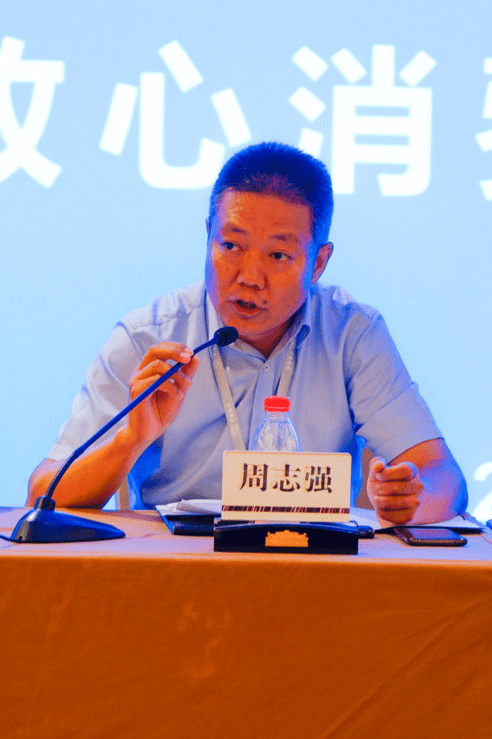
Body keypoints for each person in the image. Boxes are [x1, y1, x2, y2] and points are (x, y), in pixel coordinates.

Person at [27, 142, 467, 526]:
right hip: (177, 571)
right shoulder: (148, 338)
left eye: (277, 255)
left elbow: (444, 478)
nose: (250, 277)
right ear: (208, 237)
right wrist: (131, 438)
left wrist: (411, 498)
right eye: (231, 246)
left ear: (318, 263)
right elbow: (43, 495)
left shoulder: (352, 336)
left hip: (316, 569)